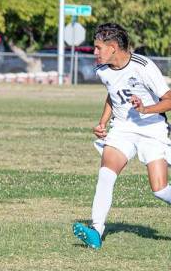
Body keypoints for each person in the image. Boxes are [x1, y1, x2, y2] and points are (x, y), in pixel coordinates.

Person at [73, 23, 171, 249]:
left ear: (114, 47)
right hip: (123, 128)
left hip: (152, 129)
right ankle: (96, 231)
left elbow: (168, 99)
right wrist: (103, 121)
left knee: (160, 189)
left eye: (98, 48)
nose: (94, 52)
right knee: (106, 174)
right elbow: (113, 94)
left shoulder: (143, 66)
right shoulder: (103, 70)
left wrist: (146, 109)